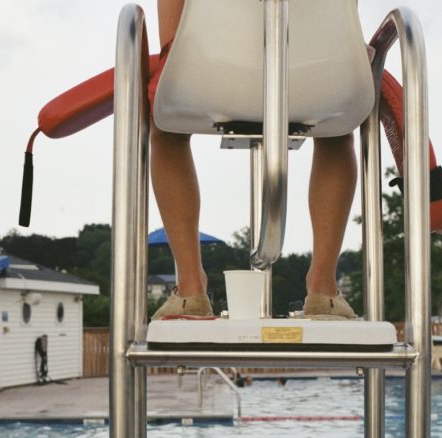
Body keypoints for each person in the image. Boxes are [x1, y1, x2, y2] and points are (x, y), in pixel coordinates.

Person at [150, 0, 357, 320]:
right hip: (313, 77)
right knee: (337, 125)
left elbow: (171, 46)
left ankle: (190, 288)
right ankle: (324, 288)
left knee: (166, 127)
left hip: (209, 76)